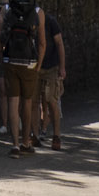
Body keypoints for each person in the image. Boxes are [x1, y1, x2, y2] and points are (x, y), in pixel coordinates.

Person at [0, 0, 50, 157]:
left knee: (12, 101)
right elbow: (41, 42)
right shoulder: (38, 11)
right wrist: (39, 64)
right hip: (29, 63)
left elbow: (0, 39)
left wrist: (2, 58)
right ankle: (26, 142)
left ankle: (15, 144)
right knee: (27, 102)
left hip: (10, 61)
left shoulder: (6, 9)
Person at [37, 17, 69, 151]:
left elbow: (60, 44)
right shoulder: (27, 20)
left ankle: (56, 136)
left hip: (51, 68)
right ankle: (35, 134)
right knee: (33, 102)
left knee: (51, 100)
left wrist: (62, 67)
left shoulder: (50, 22)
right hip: (35, 68)